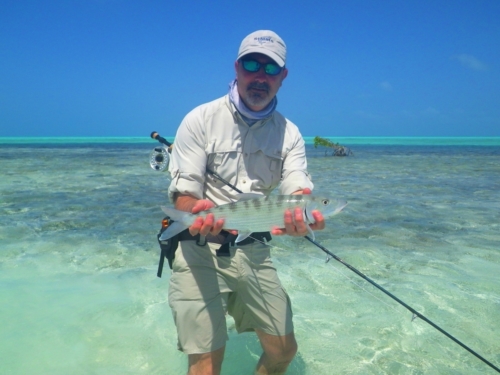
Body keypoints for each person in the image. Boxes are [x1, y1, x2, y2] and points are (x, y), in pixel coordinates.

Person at [166, 30, 325, 375]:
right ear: (237, 67)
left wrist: (301, 216)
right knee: (205, 366)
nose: (260, 76)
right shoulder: (200, 119)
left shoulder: (290, 133)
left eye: (271, 69)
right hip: (199, 248)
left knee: (284, 351)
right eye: (252, 64)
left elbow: (297, 186)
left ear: (283, 77)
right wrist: (195, 213)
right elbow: (183, 194)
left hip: (253, 247)